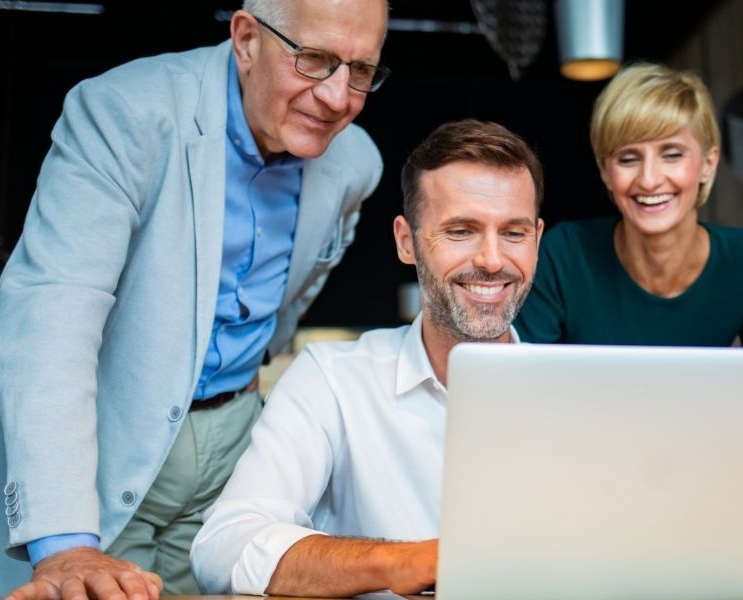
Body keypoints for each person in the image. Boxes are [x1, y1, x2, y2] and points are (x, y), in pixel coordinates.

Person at [0, 1, 389, 598]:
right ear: (247, 39)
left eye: (361, 71)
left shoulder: (356, 162)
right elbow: (52, 316)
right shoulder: (124, 112)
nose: (338, 98)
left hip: (234, 438)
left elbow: (302, 283)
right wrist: (65, 544)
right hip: (99, 438)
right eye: (315, 61)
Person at [190, 119, 544, 596]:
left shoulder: (581, 400)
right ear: (406, 241)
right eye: (461, 231)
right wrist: (401, 561)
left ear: (538, 239)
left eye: (514, 233)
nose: (491, 259)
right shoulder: (332, 380)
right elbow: (222, 548)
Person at [514, 62, 743, 347]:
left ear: (708, 164)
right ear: (605, 171)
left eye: (672, 154)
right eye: (628, 158)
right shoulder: (564, 255)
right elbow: (521, 382)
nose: (649, 180)